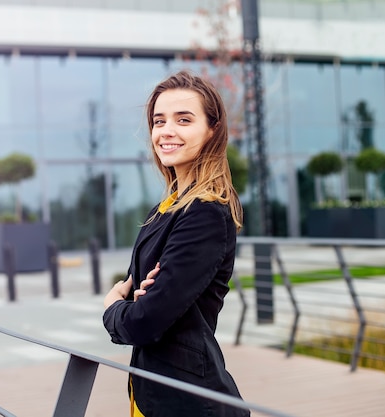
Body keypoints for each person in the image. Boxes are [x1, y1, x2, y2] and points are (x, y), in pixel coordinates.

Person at [103, 70, 250, 417]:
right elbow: (139, 295)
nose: (166, 131)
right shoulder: (167, 207)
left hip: (189, 402)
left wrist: (113, 307)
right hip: (151, 391)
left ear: (212, 129)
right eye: (159, 120)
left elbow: (144, 320)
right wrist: (141, 299)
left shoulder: (205, 213)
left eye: (183, 120)